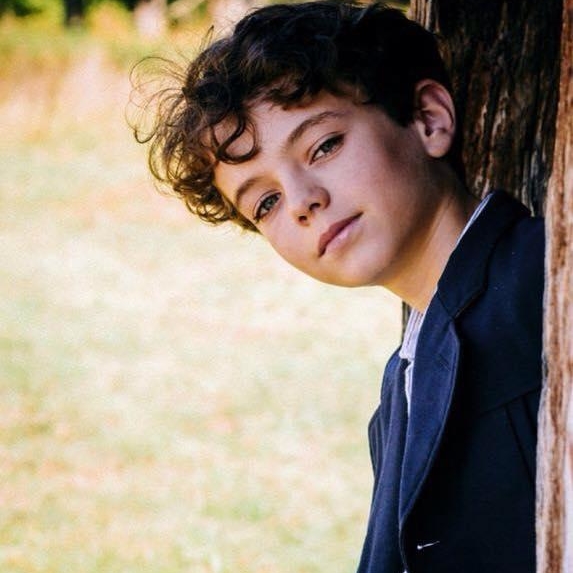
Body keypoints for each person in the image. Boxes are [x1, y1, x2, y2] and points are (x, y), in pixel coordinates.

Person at [133, 2, 545, 572]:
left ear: (427, 120)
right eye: (266, 202)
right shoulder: (401, 385)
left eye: (323, 146)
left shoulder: (545, 283)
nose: (302, 201)